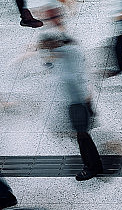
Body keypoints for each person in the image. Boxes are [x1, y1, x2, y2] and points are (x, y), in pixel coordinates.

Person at [38, 33, 104, 181]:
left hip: (78, 102)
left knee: (82, 136)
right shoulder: (63, 55)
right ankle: (94, 165)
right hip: (76, 101)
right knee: (82, 135)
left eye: (47, 45)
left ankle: (92, 167)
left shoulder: (69, 52)